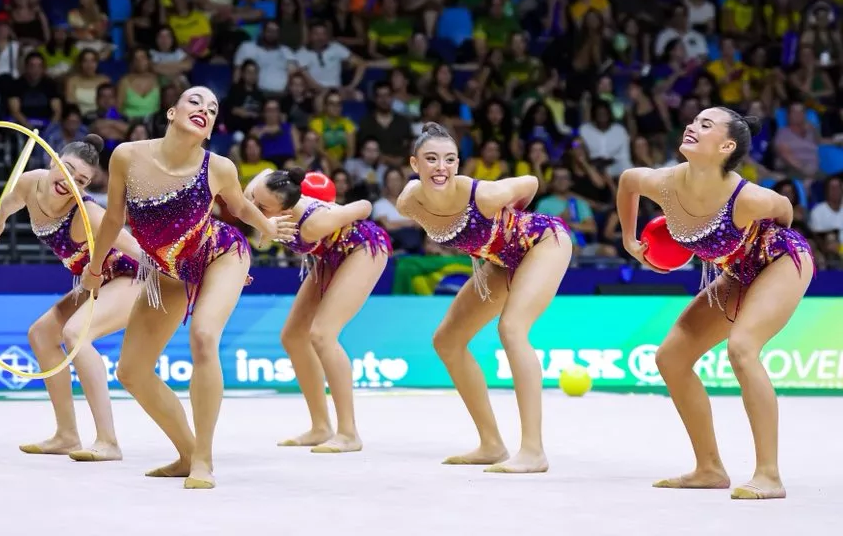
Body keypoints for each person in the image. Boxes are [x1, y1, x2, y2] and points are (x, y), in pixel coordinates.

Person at [79, 86, 297, 490]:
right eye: (195, 101)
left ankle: (203, 460)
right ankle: (185, 451)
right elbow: (112, 220)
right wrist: (94, 269)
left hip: (220, 255)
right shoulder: (127, 155)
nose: (204, 110)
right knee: (131, 371)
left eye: (213, 109)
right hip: (166, 271)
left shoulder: (219, 167)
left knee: (203, 336)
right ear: (170, 112)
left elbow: (240, 207)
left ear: (211, 128)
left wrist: (266, 226)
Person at [617, 106, 814, 500]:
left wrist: (760, 258)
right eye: (693, 120)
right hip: (736, 272)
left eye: (705, 124)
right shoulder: (662, 183)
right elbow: (627, 182)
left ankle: (769, 475)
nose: (691, 125)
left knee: (741, 348)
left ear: (726, 145)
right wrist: (629, 241)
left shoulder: (750, 198)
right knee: (670, 357)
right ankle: (709, 468)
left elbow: (785, 213)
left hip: (780, 261)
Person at [395, 122, 572, 473]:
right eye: (431, 159)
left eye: (449, 159)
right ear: (415, 165)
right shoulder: (408, 202)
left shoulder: (484, 194)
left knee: (512, 329)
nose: (441, 167)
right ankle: (491, 444)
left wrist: (510, 218)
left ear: (459, 164)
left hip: (542, 242)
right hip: (498, 260)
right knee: (447, 340)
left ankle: (533, 451)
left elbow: (532, 183)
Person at [0, 134, 142, 462]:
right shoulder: (31, 182)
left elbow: (140, 251)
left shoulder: (88, 213)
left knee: (75, 334)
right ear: (53, 161)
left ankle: (108, 440)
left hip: (130, 277)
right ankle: (67, 435)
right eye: (66, 170)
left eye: (80, 180)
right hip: (94, 281)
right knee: (41, 334)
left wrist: (194, 273)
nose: (69, 182)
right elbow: (11, 202)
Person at [243, 168, 391, 453]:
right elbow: (257, 186)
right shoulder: (266, 187)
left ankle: (349, 433)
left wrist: (336, 210)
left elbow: (365, 206)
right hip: (328, 255)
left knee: (322, 334)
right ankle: (320, 427)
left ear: (284, 209)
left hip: (362, 248)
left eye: (261, 207)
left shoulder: (312, 224)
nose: (253, 207)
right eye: (254, 197)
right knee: (292, 336)